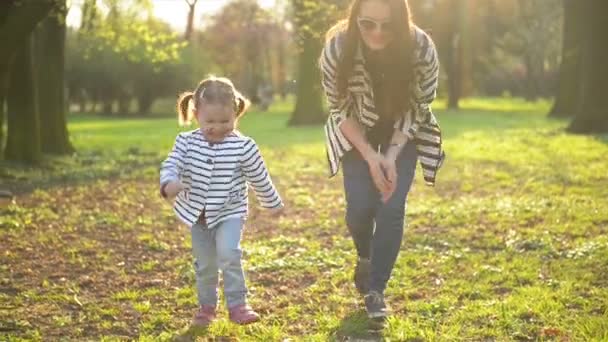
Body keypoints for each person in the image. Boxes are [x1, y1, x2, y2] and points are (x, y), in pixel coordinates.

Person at [320, 0, 445, 319]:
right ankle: (365, 256)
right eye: (368, 24)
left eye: (387, 25)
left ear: (401, 22)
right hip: (357, 131)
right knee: (359, 209)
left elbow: (420, 105)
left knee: (391, 206)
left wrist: (390, 155)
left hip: (404, 132)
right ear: (355, 19)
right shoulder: (337, 49)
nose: (377, 33)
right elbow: (339, 109)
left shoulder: (421, 48)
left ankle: (376, 290)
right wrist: (371, 157)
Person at [159, 76, 284, 326]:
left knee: (229, 253)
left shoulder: (244, 147)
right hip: (197, 215)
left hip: (229, 212)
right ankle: (206, 307)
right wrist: (169, 184)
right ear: (196, 115)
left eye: (225, 121)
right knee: (205, 264)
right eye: (210, 121)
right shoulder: (186, 142)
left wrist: (273, 203)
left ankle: (238, 305)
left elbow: (259, 177)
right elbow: (171, 164)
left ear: (236, 114)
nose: (217, 127)